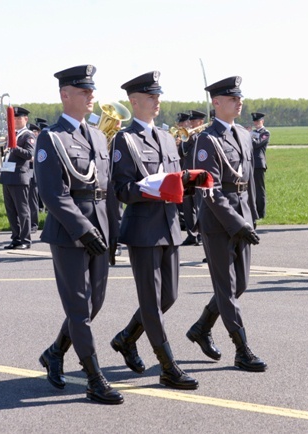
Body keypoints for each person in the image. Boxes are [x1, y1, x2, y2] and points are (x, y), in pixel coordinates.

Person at [36, 64, 123, 405]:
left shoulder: (100, 136)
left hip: (99, 229)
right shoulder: (51, 138)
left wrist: (114, 231)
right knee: (78, 308)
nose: (91, 96)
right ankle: (93, 377)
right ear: (65, 95)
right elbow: (53, 194)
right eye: (84, 91)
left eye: (92, 91)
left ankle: (55, 352)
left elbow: (107, 188)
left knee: (93, 304)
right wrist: (84, 230)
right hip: (69, 233)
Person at [109, 71, 200, 390]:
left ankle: (126, 338)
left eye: (158, 96)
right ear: (134, 102)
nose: (157, 101)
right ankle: (167, 365)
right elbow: (121, 189)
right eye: (151, 97)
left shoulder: (165, 137)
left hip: (170, 227)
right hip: (143, 230)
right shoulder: (125, 139)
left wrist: (189, 183)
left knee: (169, 296)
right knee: (151, 301)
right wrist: (151, 189)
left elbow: (173, 180)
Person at [186, 76, 267, 373]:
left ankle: (201, 327)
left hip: (242, 215)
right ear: (216, 103)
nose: (239, 101)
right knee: (226, 287)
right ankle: (241, 349)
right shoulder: (205, 141)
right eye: (233, 98)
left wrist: (252, 216)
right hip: (218, 221)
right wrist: (237, 223)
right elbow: (209, 190)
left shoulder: (244, 135)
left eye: (240, 97)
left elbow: (250, 179)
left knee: (240, 283)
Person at [0, 107, 35, 250]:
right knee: (11, 210)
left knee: (22, 210)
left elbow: (29, 154)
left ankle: (25, 239)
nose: (16, 120)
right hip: (7, 176)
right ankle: (16, 238)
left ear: (26, 119)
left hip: (19, 176)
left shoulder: (28, 135)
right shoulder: (12, 135)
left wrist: (13, 146)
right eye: (14, 118)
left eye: (19, 118)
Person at [180, 109, 206, 246]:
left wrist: (192, 136)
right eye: (190, 120)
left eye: (194, 120)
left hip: (198, 174)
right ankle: (192, 234)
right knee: (187, 205)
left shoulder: (203, 135)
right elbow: (181, 153)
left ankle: (202, 233)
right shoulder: (187, 135)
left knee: (199, 205)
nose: (190, 123)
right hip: (186, 174)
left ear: (201, 122)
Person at [249, 112, 270, 223]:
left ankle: (261, 212)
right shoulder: (252, 133)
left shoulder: (265, 133)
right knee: (251, 189)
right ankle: (253, 210)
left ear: (262, 121)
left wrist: (249, 135)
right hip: (250, 163)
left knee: (259, 189)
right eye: (255, 121)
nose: (256, 123)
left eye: (258, 121)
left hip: (259, 164)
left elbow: (256, 144)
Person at [27, 122, 42, 233]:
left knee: (32, 200)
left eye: (34, 132)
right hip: (24, 173)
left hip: (33, 174)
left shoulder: (39, 143)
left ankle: (34, 224)